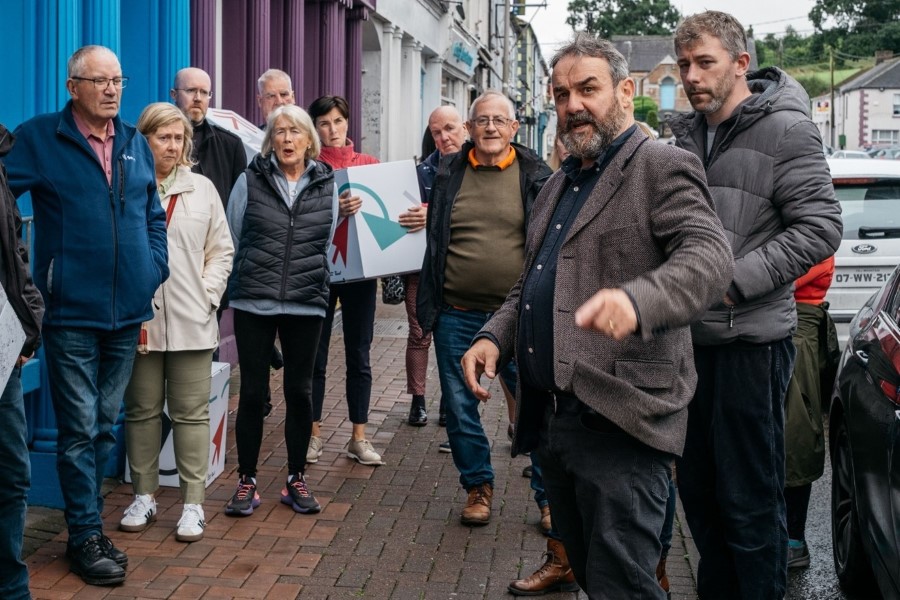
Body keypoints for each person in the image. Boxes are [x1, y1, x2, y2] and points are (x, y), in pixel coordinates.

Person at [461, 33, 734, 598]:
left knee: (624, 587)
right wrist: (495, 336)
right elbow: (533, 282)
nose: (572, 105)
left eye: (588, 89)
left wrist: (637, 302)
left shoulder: (661, 165)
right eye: (561, 94)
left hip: (624, 422)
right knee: (590, 575)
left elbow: (709, 260)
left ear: (625, 91)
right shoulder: (559, 182)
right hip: (558, 422)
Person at [668, 11, 842, 599]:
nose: (691, 76)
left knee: (749, 504)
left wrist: (733, 280)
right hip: (690, 345)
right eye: (684, 65)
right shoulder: (685, 136)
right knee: (702, 498)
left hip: (752, 344)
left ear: (741, 64)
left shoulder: (788, 130)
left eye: (705, 63)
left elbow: (820, 228)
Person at [5, 45, 169, 587]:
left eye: (117, 80)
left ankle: (88, 528)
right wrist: (28, 280)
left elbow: (151, 213)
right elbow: (4, 206)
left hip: (125, 313)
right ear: (72, 86)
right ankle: (83, 536)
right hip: (70, 314)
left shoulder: (132, 143)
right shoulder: (38, 138)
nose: (112, 90)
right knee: (78, 430)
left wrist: (153, 268)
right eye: (99, 81)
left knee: (102, 426)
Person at [417, 90, 552, 527]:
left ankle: (549, 497)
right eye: (482, 120)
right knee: (458, 407)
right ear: (469, 129)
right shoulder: (448, 173)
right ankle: (478, 485)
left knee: (538, 404)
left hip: (518, 317)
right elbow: (435, 238)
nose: (490, 127)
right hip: (457, 313)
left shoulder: (538, 176)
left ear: (514, 128)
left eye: (500, 120)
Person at [120, 103, 233, 542]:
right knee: (142, 412)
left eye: (178, 138)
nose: (172, 145)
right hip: (140, 320)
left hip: (191, 320)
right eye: (163, 137)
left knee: (190, 415)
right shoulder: (128, 185)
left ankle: (192, 504)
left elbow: (221, 249)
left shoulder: (202, 189)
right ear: (144, 139)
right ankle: (143, 495)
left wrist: (207, 295)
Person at [224, 104, 333, 516]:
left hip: (305, 304)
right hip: (254, 300)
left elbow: (323, 244)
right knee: (253, 392)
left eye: (295, 131)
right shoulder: (247, 181)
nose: (287, 139)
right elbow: (234, 238)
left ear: (309, 140)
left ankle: (295, 477)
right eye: (280, 132)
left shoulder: (328, 185)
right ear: (270, 140)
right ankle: (246, 480)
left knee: (299, 392)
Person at [308, 95, 384, 466]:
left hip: (361, 272)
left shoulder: (369, 166)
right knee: (314, 354)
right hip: (319, 271)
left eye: (338, 121)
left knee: (359, 353)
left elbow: (391, 214)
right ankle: (313, 434)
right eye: (324, 123)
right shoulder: (308, 167)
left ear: (348, 123)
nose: (332, 129)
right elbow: (301, 219)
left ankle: (359, 436)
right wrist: (336, 208)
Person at [0, 123, 44, 600]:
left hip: (2, 340)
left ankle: (12, 589)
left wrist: (28, 320)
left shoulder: (2, 155)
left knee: (12, 474)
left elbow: (14, 248)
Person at [406, 106, 467, 428]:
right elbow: (401, 216)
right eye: (436, 132)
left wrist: (430, 214)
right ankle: (417, 401)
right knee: (419, 334)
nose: (444, 137)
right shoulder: (421, 173)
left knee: (454, 335)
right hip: (420, 267)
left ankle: (449, 401)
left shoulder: (477, 171)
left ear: (465, 128)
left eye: (450, 128)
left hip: (460, 269)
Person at [784, 256, 838, 568]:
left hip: (797, 331)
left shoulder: (815, 229)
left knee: (796, 435)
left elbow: (786, 278)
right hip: (782, 327)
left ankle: (793, 539)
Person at [170, 67, 246, 210]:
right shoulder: (153, 140)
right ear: (174, 94)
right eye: (191, 90)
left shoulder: (230, 145)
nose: (198, 98)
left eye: (204, 92)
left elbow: (240, 204)